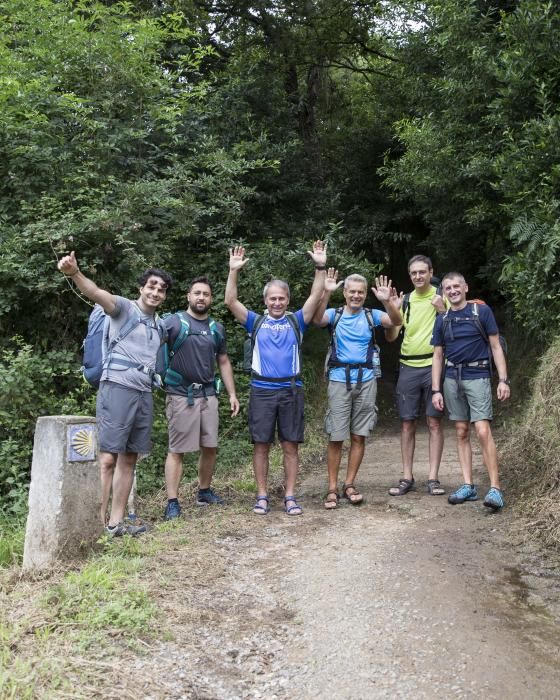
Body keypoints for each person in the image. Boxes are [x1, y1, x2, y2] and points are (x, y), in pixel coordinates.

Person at [57, 251, 173, 536]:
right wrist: (74, 273)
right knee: (108, 458)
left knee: (130, 457)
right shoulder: (123, 308)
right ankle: (97, 524)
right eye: (152, 286)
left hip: (143, 392)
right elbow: (95, 292)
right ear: (141, 288)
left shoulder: (160, 325)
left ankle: (116, 523)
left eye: (161, 289)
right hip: (116, 388)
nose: (156, 292)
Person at [224, 241, 327, 516]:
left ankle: (290, 496)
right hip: (262, 391)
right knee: (261, 445)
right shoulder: (255, 321)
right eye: (273, 298)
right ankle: (262, 496)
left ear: (288, 300)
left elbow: (316, 296)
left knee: (290, 445)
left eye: (281, 298)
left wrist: (320, 265)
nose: (277, 302)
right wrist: (233, 271)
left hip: (291, 390)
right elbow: (230, 301)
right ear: (265, 301)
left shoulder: (297, 321)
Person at [313, 270, 402, 508]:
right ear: (344, 293)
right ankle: (332, 488)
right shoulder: (335, 314)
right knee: (336, 436)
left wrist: (387, 301)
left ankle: (349, 484)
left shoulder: (373, 315)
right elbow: (316, 319)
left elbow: (396, 322)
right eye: (351, 291)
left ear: (365, 295)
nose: (356, 296)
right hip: (339, 379)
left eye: (360, 292)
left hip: (366, 380)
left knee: (359, 435)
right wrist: (325, 294)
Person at [431, 272, 510, 510]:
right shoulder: (442, 319)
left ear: (466, 287)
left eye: (457, 286)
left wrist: (503, 380)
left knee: (482, 430)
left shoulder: (481, 312)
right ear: (443, 292)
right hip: (452, 379)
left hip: (478, 376)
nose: (453, 291)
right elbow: (437, 355)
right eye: (448, 288)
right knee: (461, 430)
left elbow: (495, 346)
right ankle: (468, 485)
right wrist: (436, 389)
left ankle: (495, 489)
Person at [163, 276, 240, 520]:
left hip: (208, 395)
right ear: (188, 296)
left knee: (210, 446)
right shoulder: (173, 323)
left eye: (205, 294)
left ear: (211, 299)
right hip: (180, 395)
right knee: (177, 450)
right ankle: (172, 502)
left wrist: (232, 394)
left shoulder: (217, 328)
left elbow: (223, 360)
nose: (201, 297)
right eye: (196, 293)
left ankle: (204, 491)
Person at [387, 255, 446, 497]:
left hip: (434, 366)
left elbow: (452, 330)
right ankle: (407, 476)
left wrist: (442, 312)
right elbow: (391, 337)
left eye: (423, 272)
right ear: (410, 275)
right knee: (407, 422)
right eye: (414, 273)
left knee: (434, 422)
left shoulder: (441, 298)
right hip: (408, 367)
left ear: (431, 271)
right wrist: (392, 310)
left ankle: (433, 478)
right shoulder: (406, 301)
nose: (418, 277)